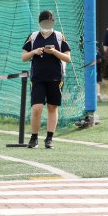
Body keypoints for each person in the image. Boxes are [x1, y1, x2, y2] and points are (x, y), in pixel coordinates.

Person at [21, 10, 72, 149]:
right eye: (44, 22)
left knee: (52, 107)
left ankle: (49, 138)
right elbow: (24, 57)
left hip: (56, 78)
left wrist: (54, 51)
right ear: (40, 23)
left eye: (49, 22)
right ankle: (34, 137)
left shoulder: (59, 36)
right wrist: (34, 52)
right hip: (37, 78)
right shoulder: (33, 36)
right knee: (37, 108)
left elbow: (68, 58)